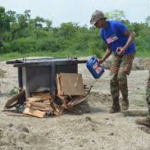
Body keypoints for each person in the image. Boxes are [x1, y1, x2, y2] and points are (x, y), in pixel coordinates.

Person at [90, 10, 136, 113]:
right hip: (116, 53)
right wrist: (102, 59)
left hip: (128, 51)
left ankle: (125, 99)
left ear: (101, 20)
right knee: (112, 78)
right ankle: (115, 105)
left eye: (96, 23)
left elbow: (131, 35)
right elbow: (109, 48)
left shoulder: (116, 25)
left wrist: (124, 48)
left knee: (121, 75)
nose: (95, 25)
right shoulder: (103, 32)